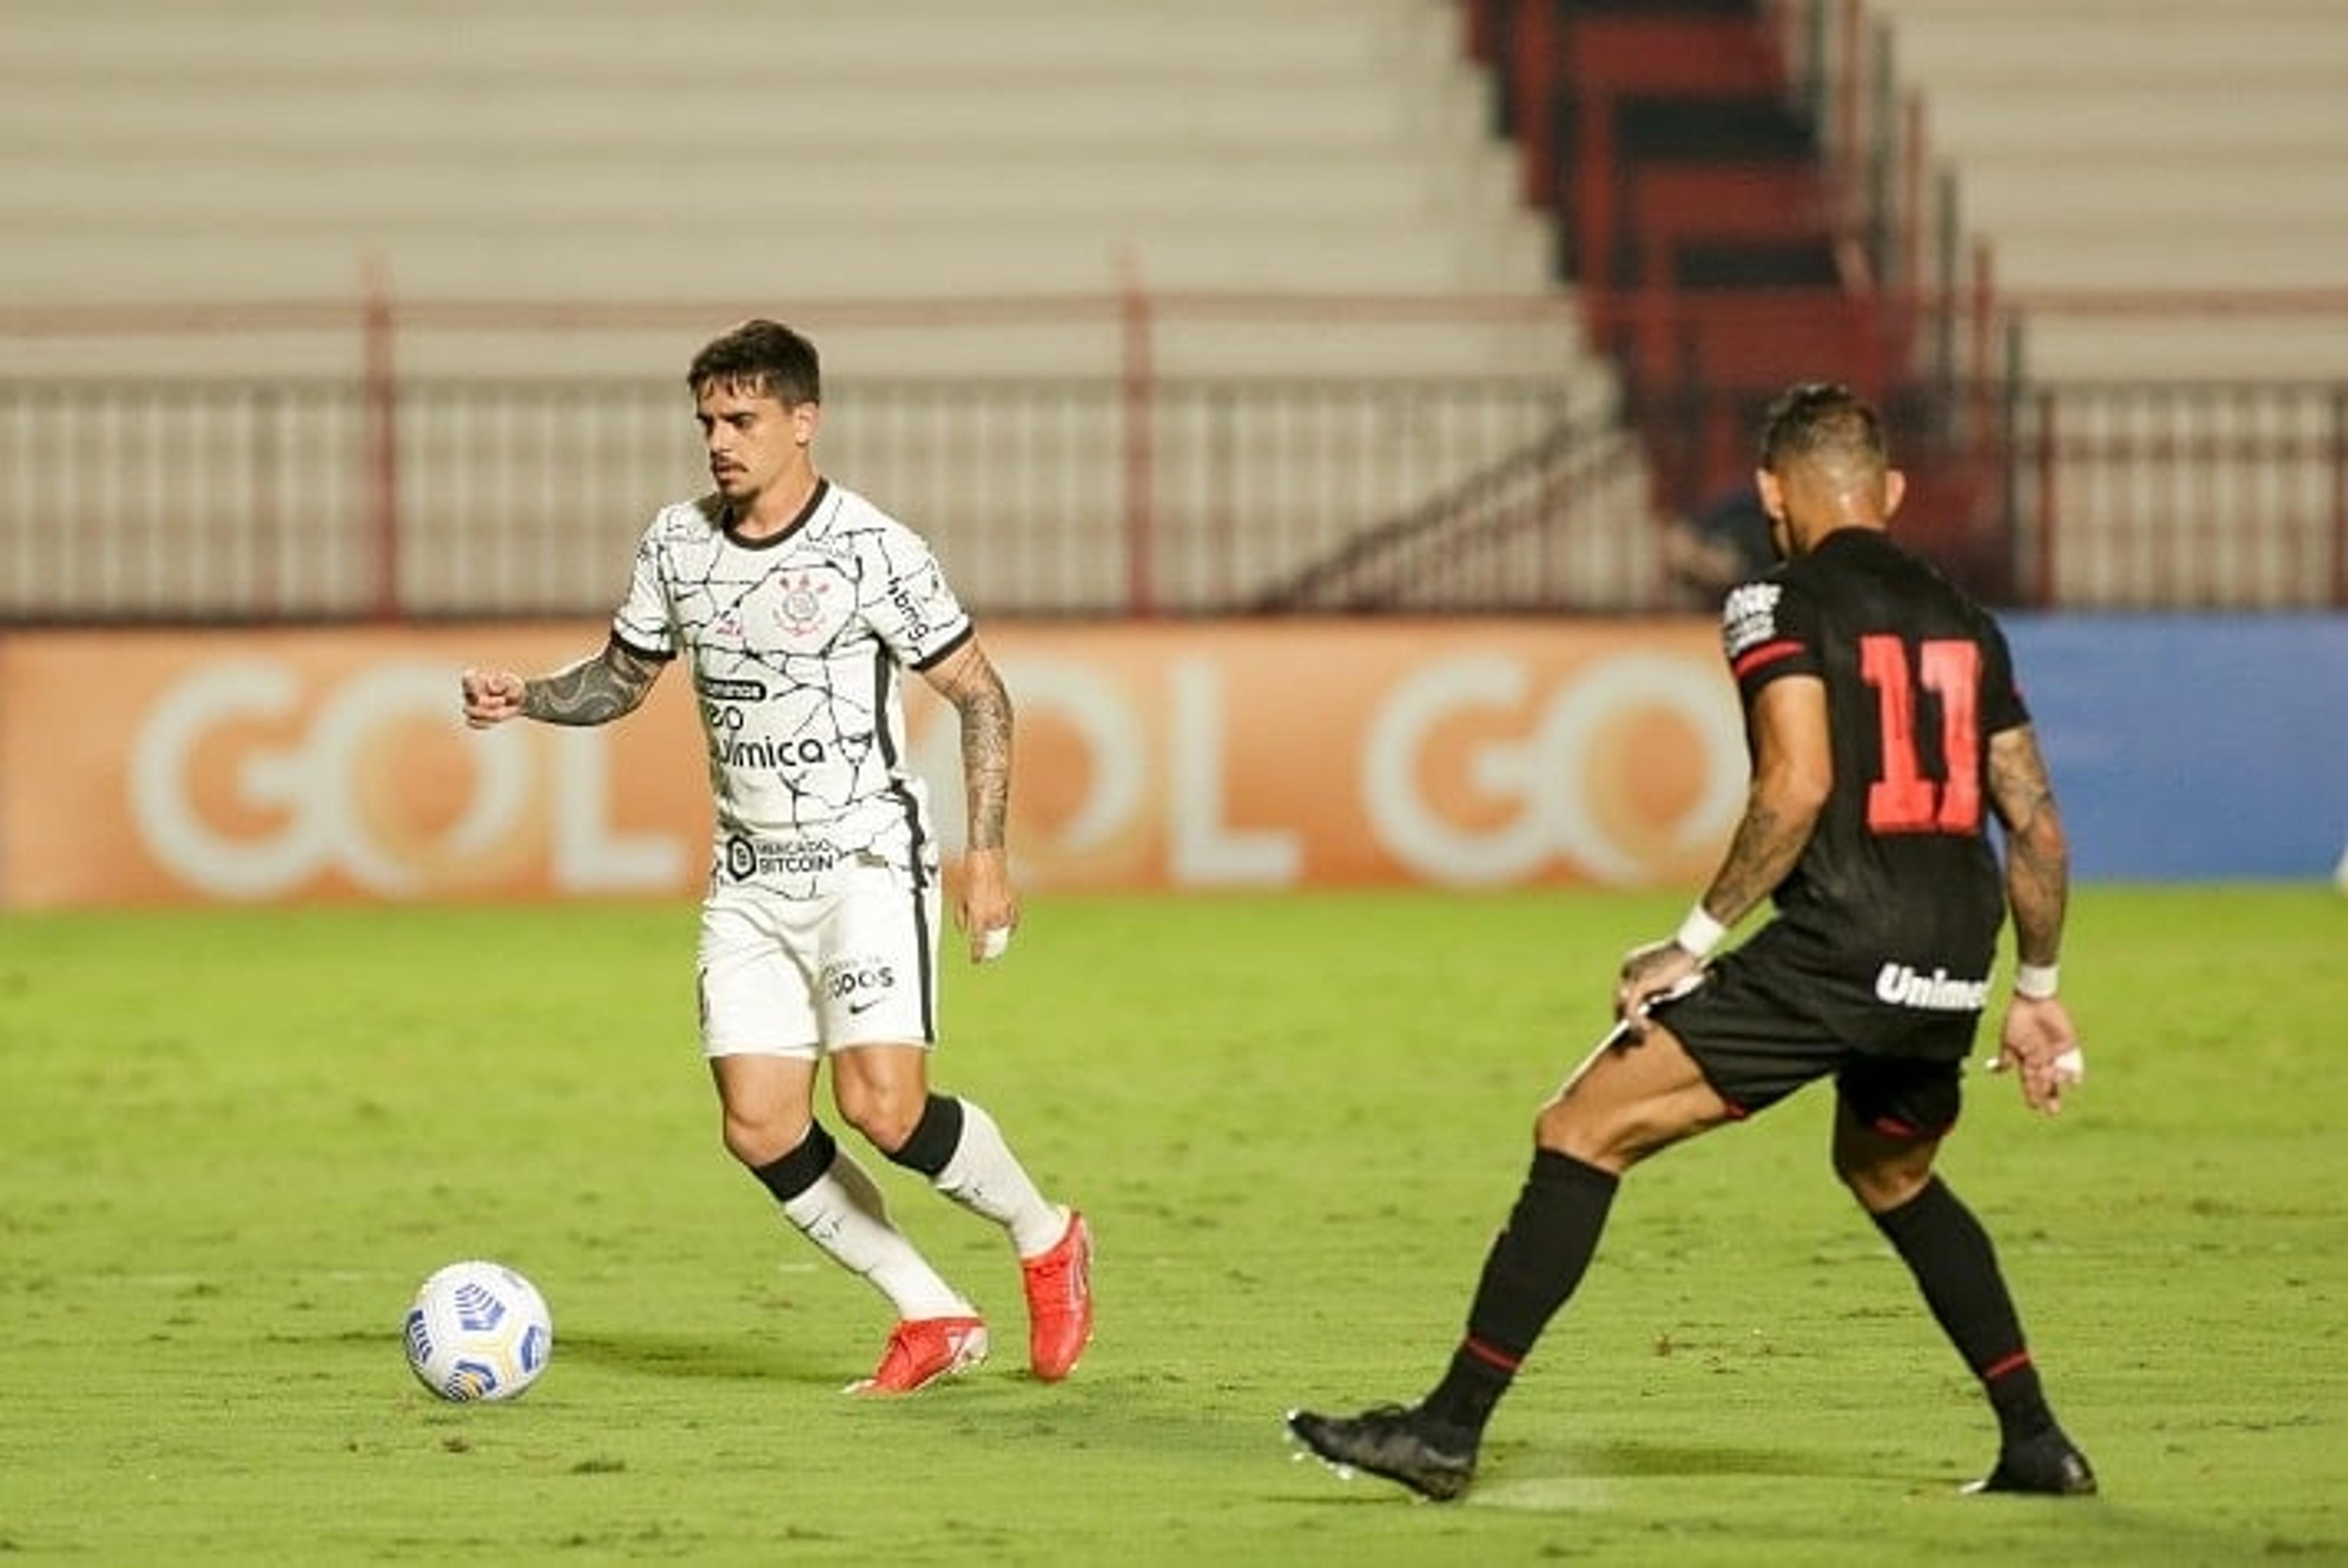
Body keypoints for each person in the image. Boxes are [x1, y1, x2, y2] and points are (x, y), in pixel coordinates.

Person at [1287, 381, 2095, 1501]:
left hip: (1839, 945)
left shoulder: (1775, 599)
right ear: (1893, 492)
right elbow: (2038, 820)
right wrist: (2039, 986)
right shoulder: (1967, 622)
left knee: (1581, 1128)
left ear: (1772, 491)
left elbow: (1798, 781)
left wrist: (1694, 937)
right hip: (1954, 955)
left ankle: (1446, 1431)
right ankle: (2037, 1442)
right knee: (1891, 1167)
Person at [460, 319, 1091, 1396]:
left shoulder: (873, 549)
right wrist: (530, 696)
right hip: (750, 879)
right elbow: (623, 677)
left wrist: (982, 855)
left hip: (863, 862)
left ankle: (1046, 1234)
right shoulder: (678, 543)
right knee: (757, 1123)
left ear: (806, 421)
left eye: (743, 418)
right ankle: (929, 1310)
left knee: (884, 1108)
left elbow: (980, 692)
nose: (719, 439)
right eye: (707, 419)